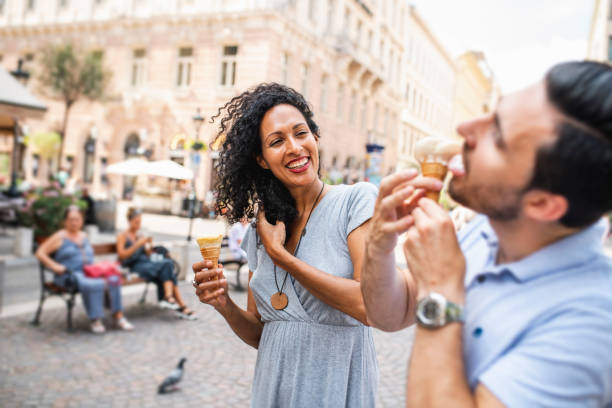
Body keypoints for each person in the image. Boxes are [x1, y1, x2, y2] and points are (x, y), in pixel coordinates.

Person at [361, 60, 612, 407]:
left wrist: (440, 287)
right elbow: (389, 313)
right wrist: (379, 244)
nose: (465, 127)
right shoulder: (488, 227)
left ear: (541, 203)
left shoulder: (590, 326)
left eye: (497, 135)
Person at [192, 83, 378, 406]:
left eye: (301, 133)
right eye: (276, 141)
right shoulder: (262, 230)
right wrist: (223, 303)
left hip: (335, 389)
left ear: (315, 138)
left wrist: (282, 257)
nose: (294, 147)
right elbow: (262, 333)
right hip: (273, 390)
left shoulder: (356, 202)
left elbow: (369, 306)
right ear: (262, 160)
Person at [35, 206, 134, 334]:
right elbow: (40, 252)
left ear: (81, 221)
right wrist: (55, 266)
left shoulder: (84, 235)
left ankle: (118, 316)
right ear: (65, 221)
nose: (74, 222)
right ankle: (95, 319)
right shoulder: (60, 236)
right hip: (69, 275)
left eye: (77, 219)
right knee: (93, 283)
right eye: (71, 219)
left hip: (89, 271)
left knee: (114, 279)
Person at [117, 208, 196, 320]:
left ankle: (173, 300)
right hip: (134, 267)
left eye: (139, 222)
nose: (138, 225)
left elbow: (148, 254)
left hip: (147, 263)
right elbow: (122, 256)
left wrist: (148, 245)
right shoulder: (122, 236)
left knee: (167, 266)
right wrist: (137, 244)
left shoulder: (140, 236)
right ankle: (178, 305)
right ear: (129, 221)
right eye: (136, 222)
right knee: (167, 266)